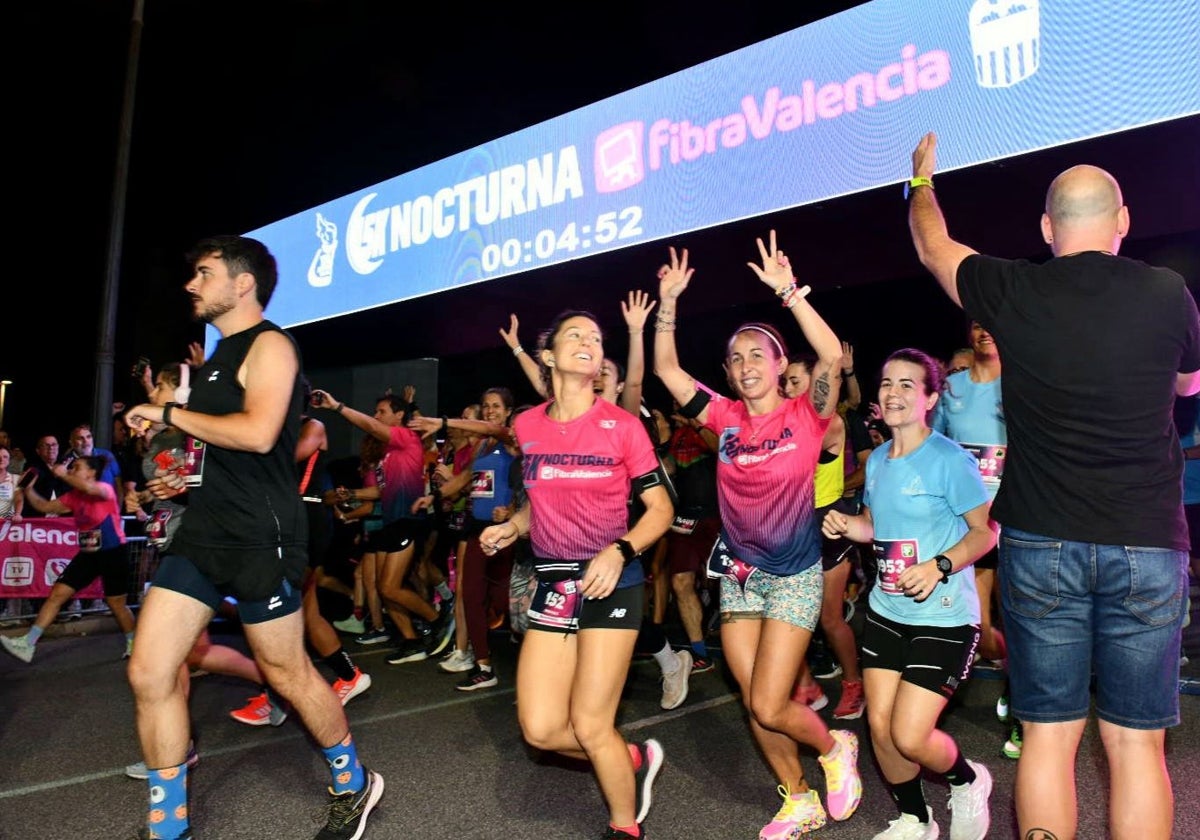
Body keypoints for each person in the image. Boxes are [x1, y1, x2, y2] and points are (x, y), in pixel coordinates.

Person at [908, 131, 1200, 840]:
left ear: (1046, 228)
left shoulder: (1014, 288)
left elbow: (933, 245)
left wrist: (920, 183)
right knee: (1135, 745)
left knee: (1048, 736)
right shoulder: (1169, 294)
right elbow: (1189, 382)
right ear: (1122, 220)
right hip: (1148, 544)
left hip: (1041, 545)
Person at [123, 235, 382, 840]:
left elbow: (261, 433)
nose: (192, 284)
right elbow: (217, 445)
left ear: (242, 284)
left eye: (205, 273)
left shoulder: (271, 345)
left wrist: (165, 413)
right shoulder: (216, 357)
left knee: (285, 670)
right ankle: (169, 821)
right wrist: (178, 478)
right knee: (149, 670)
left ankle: (353, 780)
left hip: (261, 535)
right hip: (205, 532)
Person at [652, 234, 862, 839]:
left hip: (794, 575)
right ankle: (798, 798)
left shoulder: (807, 414)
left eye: (757, 355)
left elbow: (829, 356)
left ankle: (833, 750)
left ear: (777, 365)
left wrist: (789, 293)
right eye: (736, 358)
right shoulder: (723, 417)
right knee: (754, 703)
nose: (746, 365)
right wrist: (669, 303)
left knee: (772, 704)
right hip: (740, 575)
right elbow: (667, 369)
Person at [478, 309, 674, 840]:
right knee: (540, 729)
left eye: (595, 337)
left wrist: (620, 550)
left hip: (611, 580)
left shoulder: (623, 426)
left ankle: (624, 825)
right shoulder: (528, 425)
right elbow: (537, 501)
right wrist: (513, 529)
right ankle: (630, 758)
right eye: (575, 335)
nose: (589, 341)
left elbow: (660, 510)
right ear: (548, 356)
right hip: (553, 584)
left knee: (589, 723)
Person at [823, 348, 995, 840]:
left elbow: (985, 533)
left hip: (945, 618)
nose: (893, 393)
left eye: (906, 385)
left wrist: (939, 566)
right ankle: (915, 820)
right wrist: (849, 525)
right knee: (879, 726)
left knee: (910, 734)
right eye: (886, 383)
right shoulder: (877, 460)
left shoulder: (949, 459)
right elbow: (878, 527)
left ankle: (967, 780)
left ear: (930, 398)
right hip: (886, 611)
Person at [313, 388, 454, 664]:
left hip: (407, 521)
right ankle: (412, 640)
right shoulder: (389, 451)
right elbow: (380, 491)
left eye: (382, 412)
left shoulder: (405, 438)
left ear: (399, 415)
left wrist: (338, 407)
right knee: (381, 587)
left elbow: (369, 424)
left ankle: (439, 620)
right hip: (391, 523)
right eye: (376, 411)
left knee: (389, 587)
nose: (377, 416)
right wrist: (351, 495)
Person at [931, 319, 1018, 757]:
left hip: (1020, 517)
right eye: (978, 324)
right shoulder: (953, 388)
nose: (986, 331)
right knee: (981, 628)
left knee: (1023, 621)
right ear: (969, 332)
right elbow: (937, 448)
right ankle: (1015, 674)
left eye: (993, 324)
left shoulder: (1024, 378)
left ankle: (1023, 707)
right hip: (972, 523)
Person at [0, 455, 137, 662]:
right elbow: (44, 507)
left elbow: (90, 489)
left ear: (91, 473)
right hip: (88, 555)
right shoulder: (73, 496)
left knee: (116, 603)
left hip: (114, 553)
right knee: (57, 593)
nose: (72, 470)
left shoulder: (104, 488)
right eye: (71, 468)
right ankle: (28, 643)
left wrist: (64, 474)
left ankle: (134, 643)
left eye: (77, 467)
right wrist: (28, 489)